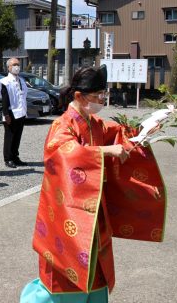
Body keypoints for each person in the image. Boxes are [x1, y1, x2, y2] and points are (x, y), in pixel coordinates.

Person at [20, 66, 166, 303]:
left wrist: (147, 127)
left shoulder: (94, 123)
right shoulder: (63, 125)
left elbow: (122, 133)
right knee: (65, 265)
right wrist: (104, 150)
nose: (102, 100)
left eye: (103, 95)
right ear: (79, 96)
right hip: (66, 211)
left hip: (94, 209)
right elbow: (63, 153)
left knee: (96, 264)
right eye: (98, 96)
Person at [0, 58, 28, 168]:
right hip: (11, 113)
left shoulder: (21, 80)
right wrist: (6, 114)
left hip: (21, 112)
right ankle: (8, 159)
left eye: (18, 64)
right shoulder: (5, 81)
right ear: (9, 67)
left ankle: (15, 156)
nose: (17, 67)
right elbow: (5, 100)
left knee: (17, 137)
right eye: (14, 64)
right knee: (9, 137)